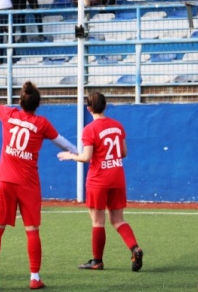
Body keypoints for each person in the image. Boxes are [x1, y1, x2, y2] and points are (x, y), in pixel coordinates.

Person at [0, 74, 78, 290]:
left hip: (5, 182)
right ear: (38, 105)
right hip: (28, 184)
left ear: (20, 101)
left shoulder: (8, 114)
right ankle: (35, 278)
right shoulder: (42, 123)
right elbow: (64, 143)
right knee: (32, 230)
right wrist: (79, 154)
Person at [57, 92, 144, 272]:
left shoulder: (89, 129)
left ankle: (97, 260)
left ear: (89, 109)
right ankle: (135, 248)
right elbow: (124, 152)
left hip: (98, 179)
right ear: (105, 106)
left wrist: (70, 156)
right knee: (118, 219)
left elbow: (87, 157)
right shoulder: (117, 126)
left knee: (98, 222)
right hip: (117, 176)